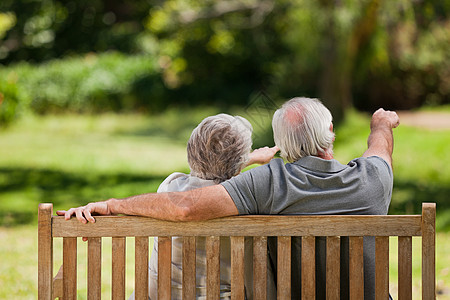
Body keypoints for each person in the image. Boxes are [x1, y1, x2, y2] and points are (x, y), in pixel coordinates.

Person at [58, 97, 400, 300]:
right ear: (331, 133)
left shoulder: (269, 183)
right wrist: (381, 124)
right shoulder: (374, 178)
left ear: (284, 142)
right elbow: (380, 149)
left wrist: (114, 204)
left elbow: (188, 204)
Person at [122, 113, 278, 299]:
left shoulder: (169, 187)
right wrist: (247, 160)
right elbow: (227, 182)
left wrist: (247, 159)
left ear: (191, 151)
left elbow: (215, 175)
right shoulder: (246, 201)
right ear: (238, 164)